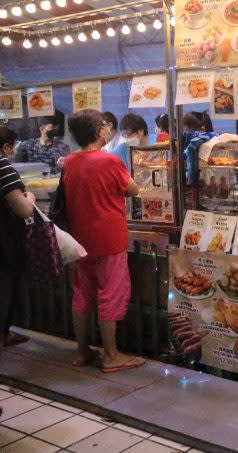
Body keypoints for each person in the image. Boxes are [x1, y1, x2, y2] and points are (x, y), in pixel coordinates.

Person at [62, 109, 144, 373]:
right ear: (99, 132)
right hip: (109, 239)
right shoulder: (109, 161)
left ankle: (83, 351)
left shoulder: (70, 162)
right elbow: (133, 189)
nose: (109, 129)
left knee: (82, 295)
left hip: (80, 241)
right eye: (105, 126)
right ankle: (111, 355)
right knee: (109, 295)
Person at [0, 127, 36, 350]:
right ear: (6, 147)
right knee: (5, 286)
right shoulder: (3, 166)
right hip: (5, 240)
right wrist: (30, 197)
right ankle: (4, 333)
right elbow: (24, 210)